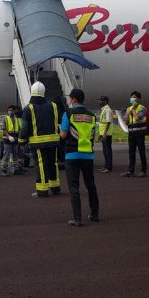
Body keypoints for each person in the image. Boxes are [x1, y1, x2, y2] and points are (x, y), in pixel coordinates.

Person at [59, 88, 100, 226]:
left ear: (74, 100)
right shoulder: (92, 116)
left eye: (70, 99)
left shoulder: (68, 113)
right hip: (88, 155)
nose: (69, 101)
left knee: (74, 188)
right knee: (91, 186)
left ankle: (77, 218)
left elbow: (63, 135)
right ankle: (94, 214)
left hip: (72, 155)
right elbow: (93, 135)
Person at [18, 81, 61, 198]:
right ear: (43, 92)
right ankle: (55, 187)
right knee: (53, 164)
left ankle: (42, 191)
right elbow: (58, 122)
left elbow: (25, 127)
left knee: (41, 166)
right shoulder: (53, 105)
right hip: (53, 141)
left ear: (32, 92)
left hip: (38, 143)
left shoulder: (29, 108)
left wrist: (21, 141)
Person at [122, 90, 147, 177]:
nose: (132, 99)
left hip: (140, 133)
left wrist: (133, 110)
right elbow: (126, 122)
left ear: (138, 99)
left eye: (134, 97)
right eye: (131, 97)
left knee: (141, 152)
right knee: (131, 152)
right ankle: (130, 171)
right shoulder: (128, 109)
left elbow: (136, 118)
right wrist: (128, 113)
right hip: (131, 133)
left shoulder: (142, 108)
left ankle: (143, 170)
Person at [0, 104, 22, 176]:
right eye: (9, 110)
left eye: (11, 110)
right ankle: (4, 170)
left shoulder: (17, 119)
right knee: (6, 155)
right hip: (7, 139)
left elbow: (19, 129)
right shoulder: (5, 119)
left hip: (15, 139)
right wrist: (9, 137)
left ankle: (15, 169)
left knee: (15, 155)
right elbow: (4, 129)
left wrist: (17, 137)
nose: (10, 112)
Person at [97, 96, 113, 172]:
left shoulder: (107, 110)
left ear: (105, 101)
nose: (99, 102)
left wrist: (104, 134)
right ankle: (106, 166)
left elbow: (108, 122)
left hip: (107, 134)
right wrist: (101, 134)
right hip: (104, 133)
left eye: (101, 100)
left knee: (108, 151)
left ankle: (108, 167)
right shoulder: (104, 109)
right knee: (105, 151)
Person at [13, 105, 30, 169]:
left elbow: (23, 128)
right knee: (17, 152)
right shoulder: (16, 118)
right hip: (17, 137)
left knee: (22, 152)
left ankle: (20, 166)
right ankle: (17, 167)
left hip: (21, 136)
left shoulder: (22, 117)